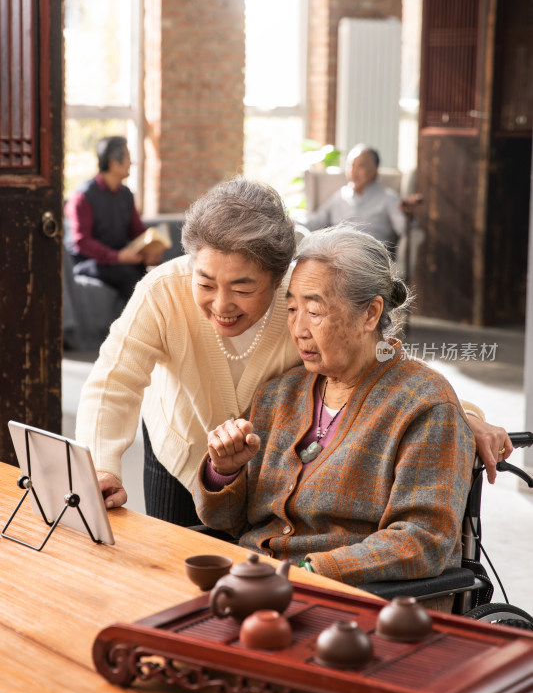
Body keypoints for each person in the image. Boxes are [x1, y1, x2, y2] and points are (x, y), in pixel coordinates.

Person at [75, 177, 511, 527]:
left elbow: (380, 355)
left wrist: (463, 414)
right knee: (172, 568)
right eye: (206, 283)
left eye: (243, 287)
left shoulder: (304, 291)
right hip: (182, 443)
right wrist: (100, 468)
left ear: (278, 275)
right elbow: (113, 380)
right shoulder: (163, 290)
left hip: (268, 461)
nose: (221, 305)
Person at [191, 225, 475, 596]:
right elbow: (227, 521)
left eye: (314, 310)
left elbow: (424, 540)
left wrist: (314, 571)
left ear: (371, 314)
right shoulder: (279, 394)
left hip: (351, 600)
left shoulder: (425, 404)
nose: (298, 328)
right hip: (256, 582)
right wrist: (224, 471)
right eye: (292, 309)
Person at [65, 135, 162, 301]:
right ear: (113, 163)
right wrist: (117, 257)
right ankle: (135, 326)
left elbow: (137, 231)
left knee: (158, 274)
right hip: (89, 262)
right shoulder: (83, 197)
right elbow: (82, 242)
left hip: (120, 258)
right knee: (128, 276)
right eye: (128, 158)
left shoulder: (125, 194)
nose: (131, 163)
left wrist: (150, 251)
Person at [305, 144, 422, 257]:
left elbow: (404, 229)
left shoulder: (388, 197)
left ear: (374, 171)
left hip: (371, 257)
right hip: (338, 254)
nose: (354, 170)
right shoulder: (340, 196)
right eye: (351, 165)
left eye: (360, 166)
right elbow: (314, 221)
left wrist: (408, 216)